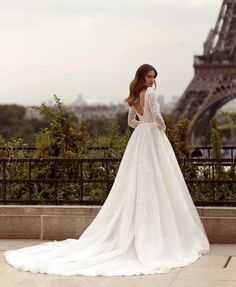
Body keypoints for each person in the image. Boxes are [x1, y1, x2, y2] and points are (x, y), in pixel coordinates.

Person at [4, 64, 210, 277]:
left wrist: (143, 128)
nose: (152, 80)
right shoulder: (151, 94)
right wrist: (160, 128)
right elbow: (158, 118)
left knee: (138, 180)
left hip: (139, 140)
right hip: (153, 137)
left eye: (153, 77)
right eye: (149, 76)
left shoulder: (134, 96)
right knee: (160, 178)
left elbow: (131, 122)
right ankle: (158, 234)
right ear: (142, 76)